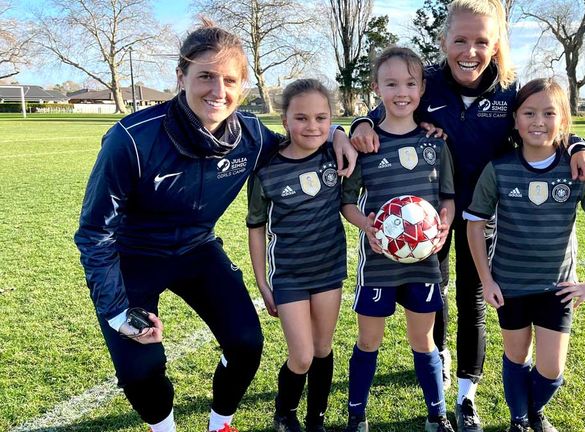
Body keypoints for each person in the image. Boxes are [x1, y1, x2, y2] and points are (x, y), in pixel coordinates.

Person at [74, 20, 355, 432]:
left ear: (242, 87)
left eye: (229, 80)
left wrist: (341, 131)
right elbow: (94, 234)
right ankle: (164, 427)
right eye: (205, 76)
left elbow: (299, 138)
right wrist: (117, 313)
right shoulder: (130, 140)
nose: (217, 91)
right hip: (131, 259)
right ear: (181, 77)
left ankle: (220, 423)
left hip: (197, 251)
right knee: (140, 371)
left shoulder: (251, 135)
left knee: (246, 343)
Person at [349, 1, 585, 430]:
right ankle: (440, 356)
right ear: (444, 40)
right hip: (425, 216)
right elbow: (382, 111)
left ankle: (467, 394)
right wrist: (352, 126)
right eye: (460, 39)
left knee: (474, 297)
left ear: (496, 44)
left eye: (481, 41)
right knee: (437, 288)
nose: (470, 50)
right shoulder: (426, 82)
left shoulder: (509, 89)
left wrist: (579, 145)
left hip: (483, 216)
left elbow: (544, 119)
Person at [464, 78, 585, 432]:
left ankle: (533, 410)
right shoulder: (499, 169)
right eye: (529, 113)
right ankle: (521, 420)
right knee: (516, 357)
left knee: (551, 369)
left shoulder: (578, 169)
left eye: (549, 113)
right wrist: (486, 280)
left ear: (563, 120)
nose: (538, 121)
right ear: (515, 120)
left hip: (557, 287)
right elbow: (475, 224)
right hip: (511, 284)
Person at [340, 46, 456, 432]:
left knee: (423, 341)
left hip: (424, 264)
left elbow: (449, 200)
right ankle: (357, 416)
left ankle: (437, 415)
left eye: (410, 83)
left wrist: (442, 224)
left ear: (422, 89)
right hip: (377, 266)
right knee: (368, 342)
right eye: (391, 83)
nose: (401, 92)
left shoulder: (436, 144)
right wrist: (368, 226)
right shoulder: (365, 146)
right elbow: (346, 202)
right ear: (376, 88)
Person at [246, 79, 345, 432]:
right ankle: (284, 413)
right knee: (301, 356)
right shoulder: (267, 171)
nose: (312, 126)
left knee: (322, 348)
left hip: (329, 271)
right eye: (301, 118)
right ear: (285, 120)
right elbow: (256, 227)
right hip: (289, 275)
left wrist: (341, 134)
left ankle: (316, 419)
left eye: (322, 118)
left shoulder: (336, 155)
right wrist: (262, 281)